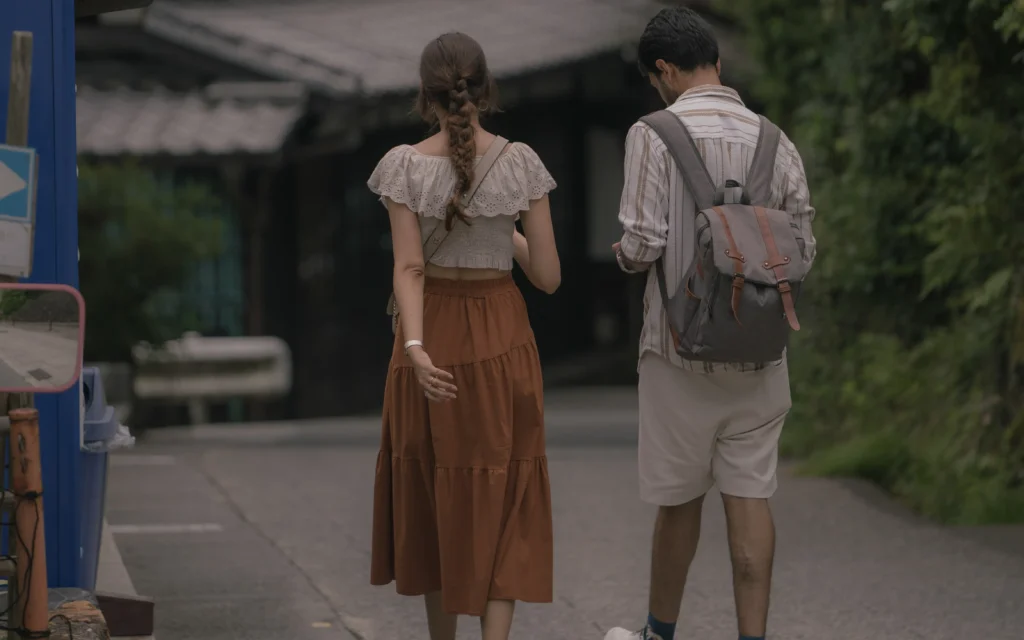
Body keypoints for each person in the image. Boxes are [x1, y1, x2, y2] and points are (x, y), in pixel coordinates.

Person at [604, 7, 817, 640]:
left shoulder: (652, 132)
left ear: (663, 70)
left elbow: (641, 244)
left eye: (655, 78)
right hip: (759, 347)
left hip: (678, 349)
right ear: (716, 63)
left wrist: (621, 257)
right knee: (751, 495)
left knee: (679, 501)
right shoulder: (774, 138)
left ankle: (658, 635)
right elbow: (804, 241)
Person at [367, 31, 561, 640]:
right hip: (501, 333)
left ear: (425, 96)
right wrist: (502, 231)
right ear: (485, 89)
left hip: (430, 336)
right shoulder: (521, 162)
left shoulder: (402, 166)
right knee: (506, 496)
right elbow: (549, 279)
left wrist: (417, 348)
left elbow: (409, 269)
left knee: (433, 492)